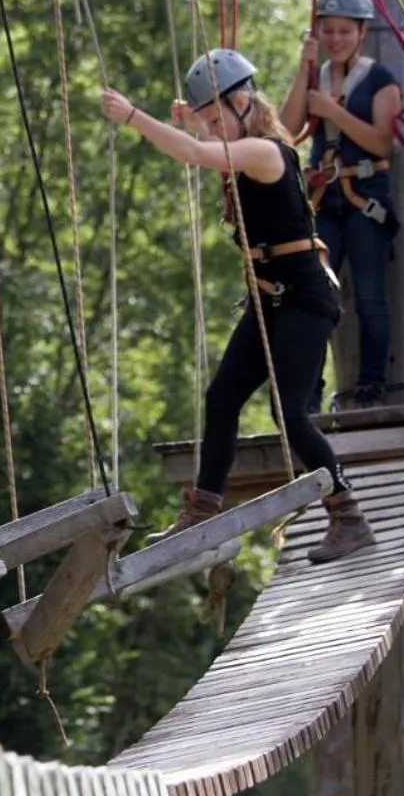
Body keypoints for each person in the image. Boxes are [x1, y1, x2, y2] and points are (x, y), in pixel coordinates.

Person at [101, 50, 374, 566]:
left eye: (214, 116)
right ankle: (203, 508)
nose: (209, 127)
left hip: (303, 296)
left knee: (289, 413)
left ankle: (349, 515)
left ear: (243, 102)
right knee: (222, 397)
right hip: (270, 296)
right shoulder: (247, 147)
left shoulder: (267, 152)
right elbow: (205, 147)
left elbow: (196, 154)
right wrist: (193, 124)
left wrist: (135, 116)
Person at [280, 0, 402, 411]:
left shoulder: (381, 80)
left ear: (362, 33)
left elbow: (382, 142)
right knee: (316, 295)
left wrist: (333, 111)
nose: (336, 39)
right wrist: (303, 69)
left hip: (365, 196)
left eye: (345, 31)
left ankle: (371, 384)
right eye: (328, 31)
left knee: (370, 296)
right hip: (324, 200)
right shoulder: (316, 77)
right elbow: (286, 131)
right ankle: (309, 389)